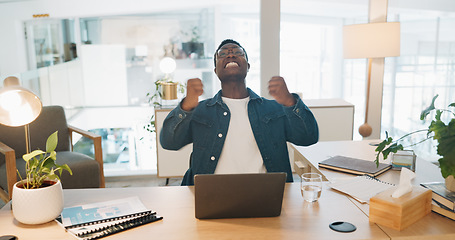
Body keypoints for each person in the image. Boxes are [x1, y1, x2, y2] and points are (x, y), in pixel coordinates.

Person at [160, 39, 319, 185]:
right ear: (215, 70)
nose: (230, 54)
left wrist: (290, 102)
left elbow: (308, 137)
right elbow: (169, 142)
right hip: (211, 195)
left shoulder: (274, 108)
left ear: (248, 66)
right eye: (222, 54)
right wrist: (186, 106)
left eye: (238, 53)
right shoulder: (200, 110)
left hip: (267, 195)